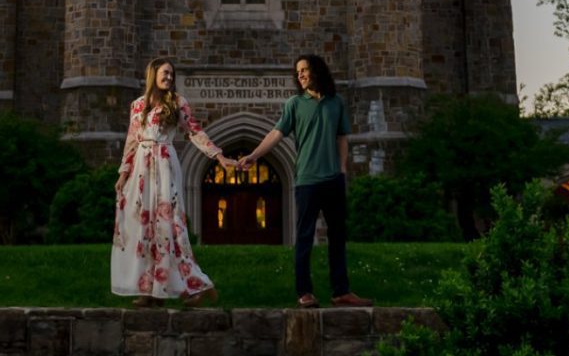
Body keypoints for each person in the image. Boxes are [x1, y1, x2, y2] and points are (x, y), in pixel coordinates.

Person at [238, 54, 373, 308]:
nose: (299, 75)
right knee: (304, 236)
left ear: (317, 71)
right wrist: (255, 155)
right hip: (307, 180)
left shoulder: (336, 103)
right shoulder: (295, 104)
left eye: (304, 70)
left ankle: (341, 292)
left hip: (333, 179)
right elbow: (277, 132)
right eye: (297, 71)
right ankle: (304, 292)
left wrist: (343, 168)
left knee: (338, 237)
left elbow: (342, 136)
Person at [112, 56, 237, 307]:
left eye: (171, 74)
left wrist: (218, 155)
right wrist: (123, 173)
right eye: (165, 73)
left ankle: (196, 286)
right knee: (142, 227)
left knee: (168, 226)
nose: (169, 77)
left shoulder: (178, 103)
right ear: (154, 74)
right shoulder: (138, 105)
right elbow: (132, 140)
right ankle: (150, 292)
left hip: (164, 164)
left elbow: (193, 131)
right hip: (141, 169)